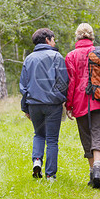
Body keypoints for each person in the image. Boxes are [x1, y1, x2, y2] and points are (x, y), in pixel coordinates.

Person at [19, 28, 68, 180]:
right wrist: (60, 98)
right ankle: (50, 175)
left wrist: (25, 106)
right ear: (47, 40)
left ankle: (37, 161)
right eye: (53, 39)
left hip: (34, 104)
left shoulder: (29, 59)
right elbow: (63, 81)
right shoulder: (56, 56)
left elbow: (23, 85)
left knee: (39, 134)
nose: (54, 42)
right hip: (53, 104)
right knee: (52, 139)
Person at [65, 23, 100, 189]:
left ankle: (92, 172)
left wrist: (68, 105)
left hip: (80, 102)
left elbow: (71, 82)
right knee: (98, 133)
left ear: (77, 36)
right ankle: (98, 165)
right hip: (99, 99)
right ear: (91, 36)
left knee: (86, 136)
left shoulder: (71, 56)